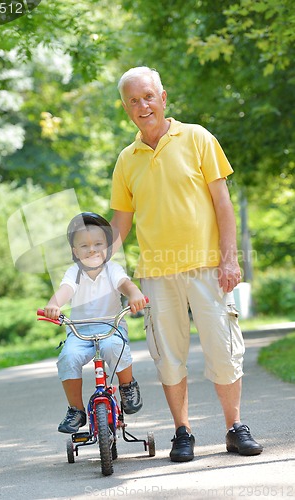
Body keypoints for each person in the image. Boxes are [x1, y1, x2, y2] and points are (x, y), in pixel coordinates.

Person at [110, 66, 263, 462]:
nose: (143, 105)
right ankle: (183, 431)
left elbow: (222, 203)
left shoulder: (197, 138)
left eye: (148, 96)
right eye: (134, 101)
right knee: (168, 355)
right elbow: (120, 223)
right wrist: (97, 266)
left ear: (163, 97)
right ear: (126, 108)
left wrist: (229, 259)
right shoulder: (127, 160)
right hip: (156, 274)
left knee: (223, 348)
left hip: (208, 268)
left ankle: (235, 428)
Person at [44, 212, 146, 434]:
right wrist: (54, 304)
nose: (92, 250)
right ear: (75, 251)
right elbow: (65, 290)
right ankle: (76, 410)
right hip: (80, 331)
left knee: (114, 347)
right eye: (84, 246)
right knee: (68, 357)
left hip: (111, 327)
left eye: (98, 244)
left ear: (108, 248)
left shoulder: (113, 270)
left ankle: (127, 386)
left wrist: (135, 294)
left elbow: (125, 284)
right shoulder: (74, 273)